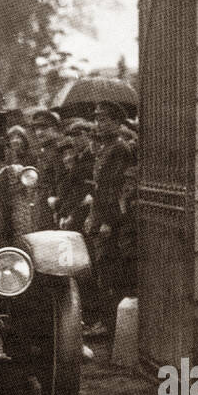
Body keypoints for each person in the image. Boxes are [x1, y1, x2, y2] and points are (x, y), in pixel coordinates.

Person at [88, 101, 136, 331]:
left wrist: (107, 220)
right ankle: (104, 320)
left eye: (104, 119)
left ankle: (109, 323)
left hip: (111, 217)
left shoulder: (119, 148)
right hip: (100, 214)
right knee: (101, 267)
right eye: (97, 119)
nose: (99, 123)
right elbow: (100, 187)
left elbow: (115, 188)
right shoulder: (106, 147)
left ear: (117, 123)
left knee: (109, 269)